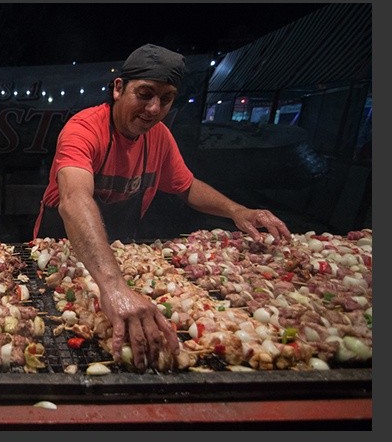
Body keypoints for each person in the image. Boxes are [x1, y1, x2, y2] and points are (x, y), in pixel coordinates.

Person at [33, 43, 291, 372]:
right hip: (62, 255)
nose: (154, 108)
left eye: (166, 98)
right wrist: (112, 287)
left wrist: (237, 211)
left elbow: (187, 186)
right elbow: (75, 199)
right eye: (145, 94)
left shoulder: (160, 138)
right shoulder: (83, 129)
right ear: (118, 89)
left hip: (119, 255)